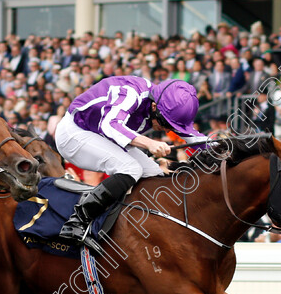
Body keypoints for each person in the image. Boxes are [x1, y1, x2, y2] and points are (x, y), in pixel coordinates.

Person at [55, 77, 200, 248]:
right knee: (130, 168)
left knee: (156, 174)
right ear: (154, 107)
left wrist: (224, 149)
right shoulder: (131, 93)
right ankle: (77, 222)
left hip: (102, 136)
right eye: (165, 123)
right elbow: (110, 124)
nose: (168, 130)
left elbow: (197, 139)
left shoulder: (165, 105)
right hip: (75, 132)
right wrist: (149, 143)